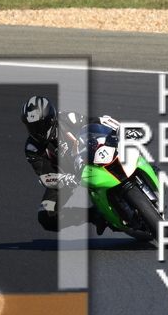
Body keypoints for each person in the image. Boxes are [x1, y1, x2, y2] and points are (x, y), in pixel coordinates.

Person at [20, 95, 141, 235]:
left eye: (39, 126)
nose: (36, 131)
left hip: (89, 156)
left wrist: (122, 129)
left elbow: (97, 121)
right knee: (45, 217)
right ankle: (96, 216)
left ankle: (140, 172)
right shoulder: (32, 148)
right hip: (65, 178)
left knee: (124, 146)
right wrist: (63, 179)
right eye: (31, 127)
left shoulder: (67, 118)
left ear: (51, 119)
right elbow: (45, 176)